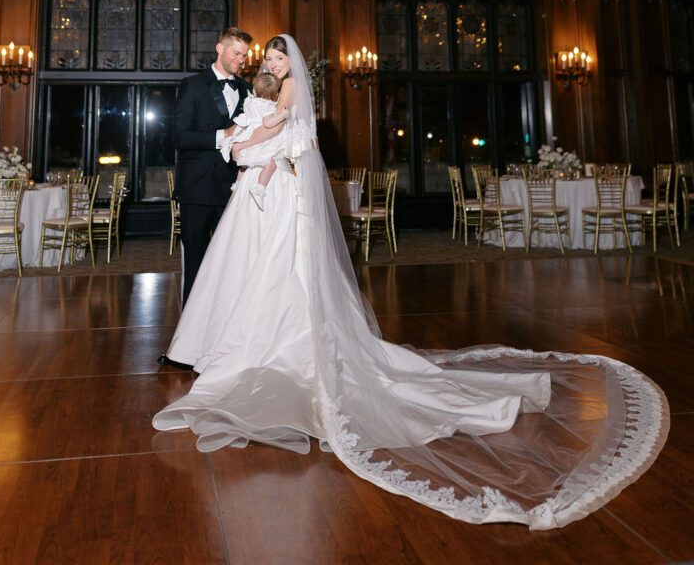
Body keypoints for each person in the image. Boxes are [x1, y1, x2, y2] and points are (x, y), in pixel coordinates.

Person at [154, 35, 669, 529]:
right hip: (263, 195)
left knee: (281, 279)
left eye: (275, 56)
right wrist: (252, 149)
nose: (270, 62)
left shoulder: (287, 96)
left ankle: (273, 353)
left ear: (293, 66)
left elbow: (294, 145)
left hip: (280, 197)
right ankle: (244, 345)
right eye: (266, 56)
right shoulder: (259, 89)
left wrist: (258, 152)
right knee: (259, 277)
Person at [168, 25, 251, 308]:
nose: (241, 60)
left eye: (244, 55)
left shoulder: (248, 89)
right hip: (197, 189)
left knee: (233, 260)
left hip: (234, 190)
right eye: (236, 53)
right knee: (196, 259)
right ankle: (190, 328)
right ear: (220, 48)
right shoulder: (192, 85)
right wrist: (222, 136)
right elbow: (179, 137)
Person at [220, 70, 288, 210]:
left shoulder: (249, 102)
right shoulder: (267, 106)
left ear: (255, 92)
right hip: (257, 144)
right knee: (270, 165)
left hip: (246, 138)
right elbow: (268, 123)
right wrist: (282, 115)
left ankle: (237, 184)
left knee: (244, 166)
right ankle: (259, 189)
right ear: (275, 95)